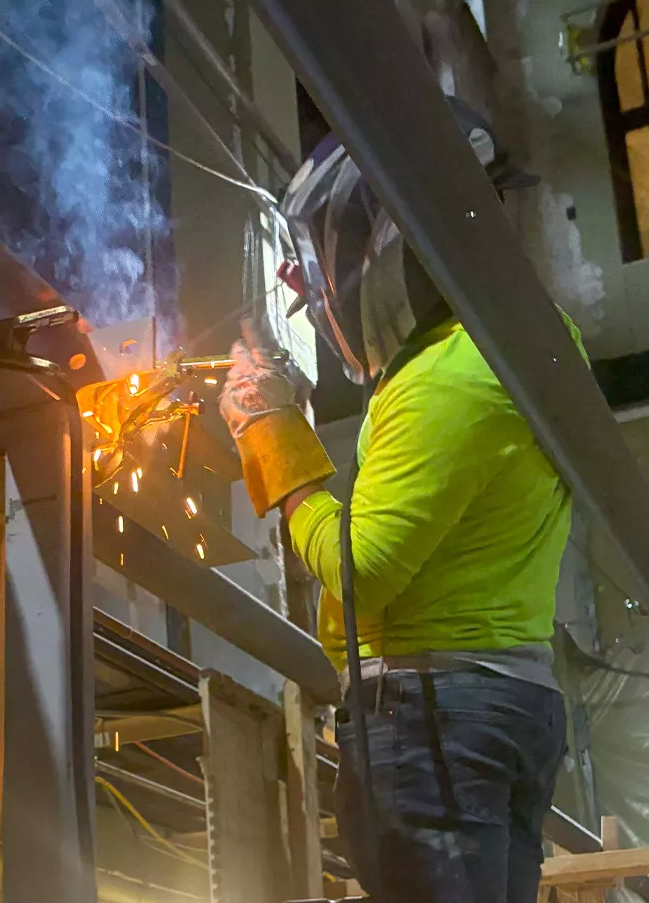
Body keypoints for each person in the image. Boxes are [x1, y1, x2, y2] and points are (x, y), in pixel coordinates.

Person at [219, 101, 579, 903]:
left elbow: (362, 570)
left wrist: (270, 437)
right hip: (499, 702)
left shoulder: (449, 375)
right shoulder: (518, 340)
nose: (308, 294)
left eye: (313, 272)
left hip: (434, 712)